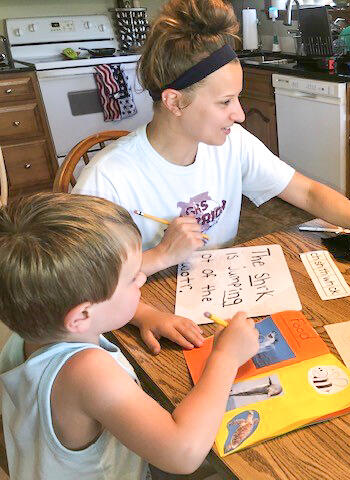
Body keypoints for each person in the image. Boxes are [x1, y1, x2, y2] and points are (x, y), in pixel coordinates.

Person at [73, 0, 350, 283]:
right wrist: (156, 271)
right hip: (141, 307)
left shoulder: (230, 143)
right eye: (224, 102)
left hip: (216, 289)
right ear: (174, 101)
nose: (238, 115)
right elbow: (84, 286)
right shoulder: (107, 179)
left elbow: (308, 194)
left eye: (237, 98)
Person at [0, 193, 259, 479]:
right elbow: (183, 454)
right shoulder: (87, 372)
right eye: (132, 277)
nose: (143, 279)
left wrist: (145, 314)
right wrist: (225, 358)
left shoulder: (32, 328)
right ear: (81, 316)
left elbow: (92, 308)